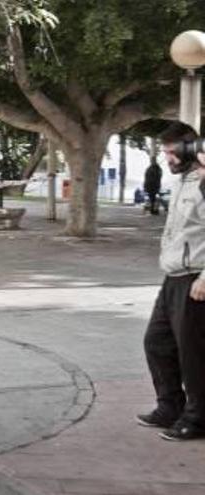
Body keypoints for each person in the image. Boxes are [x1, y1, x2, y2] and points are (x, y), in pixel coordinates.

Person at [138, 122, 205, 442]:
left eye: (170, 151)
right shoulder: (180, 181)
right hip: (173, 276)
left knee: (193, 354)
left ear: (190, 148)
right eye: (163, 151)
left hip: (196, 277)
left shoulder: (203, 182)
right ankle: (170, 406)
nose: (166, 157)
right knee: (157, 343)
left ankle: (198, 418)